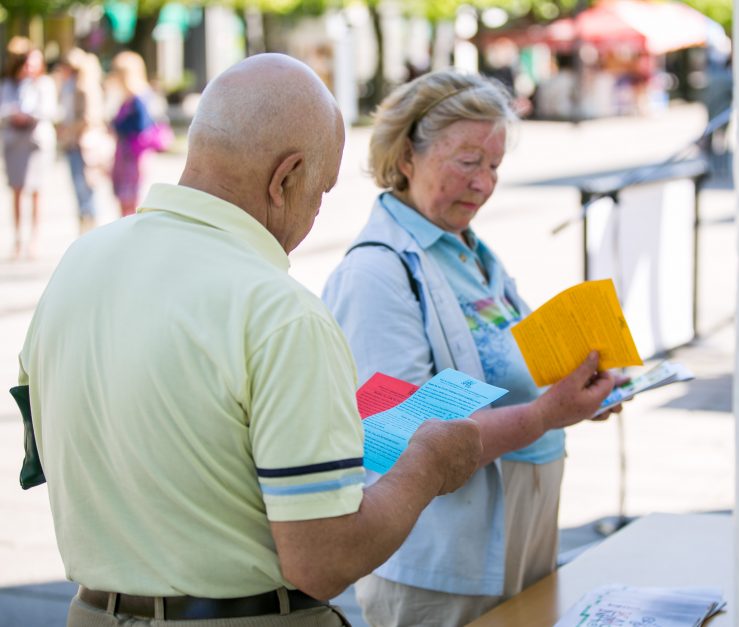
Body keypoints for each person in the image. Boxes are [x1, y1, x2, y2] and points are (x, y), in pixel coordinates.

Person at [15, 53, 482, 626]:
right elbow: (324, 559)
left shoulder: (79, 263)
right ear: (285, 178)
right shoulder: (281, 314)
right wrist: (428, 464)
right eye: (322, 189)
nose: (316, 212)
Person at [322, 69, 623, 626]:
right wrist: (545, 415)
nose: (484, 183)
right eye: (467, 162)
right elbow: (398, 439)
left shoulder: (470, 252)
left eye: (494, 166)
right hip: (443, 559)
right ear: (406, 156)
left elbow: (515, 367)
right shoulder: (375, 273)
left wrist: (580, 389)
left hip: (518, 535)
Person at [0, 44, 57, 259]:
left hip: (36, 142)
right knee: (16, 190)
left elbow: (49, 110)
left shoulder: (44, 84)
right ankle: (17, 238)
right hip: (15, 142)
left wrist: (29, 115)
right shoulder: (9, 85)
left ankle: (34, 238)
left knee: (36, 191)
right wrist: (13, 115)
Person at [56, 47, 111, 234]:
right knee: (80, 190)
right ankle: (84, 228)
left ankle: (89, 229)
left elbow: (89, 117)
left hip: (84, 144)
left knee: (86, 188)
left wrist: (68, 128)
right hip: (74, 143)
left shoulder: (85, 87)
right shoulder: (70, 86)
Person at [108, 50, 166, 217]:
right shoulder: (128, 98)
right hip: (125, 154)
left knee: (133, 200)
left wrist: (117, 126)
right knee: (124, 199)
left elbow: (141, 126)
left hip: (134, 155)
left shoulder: (139, 98)